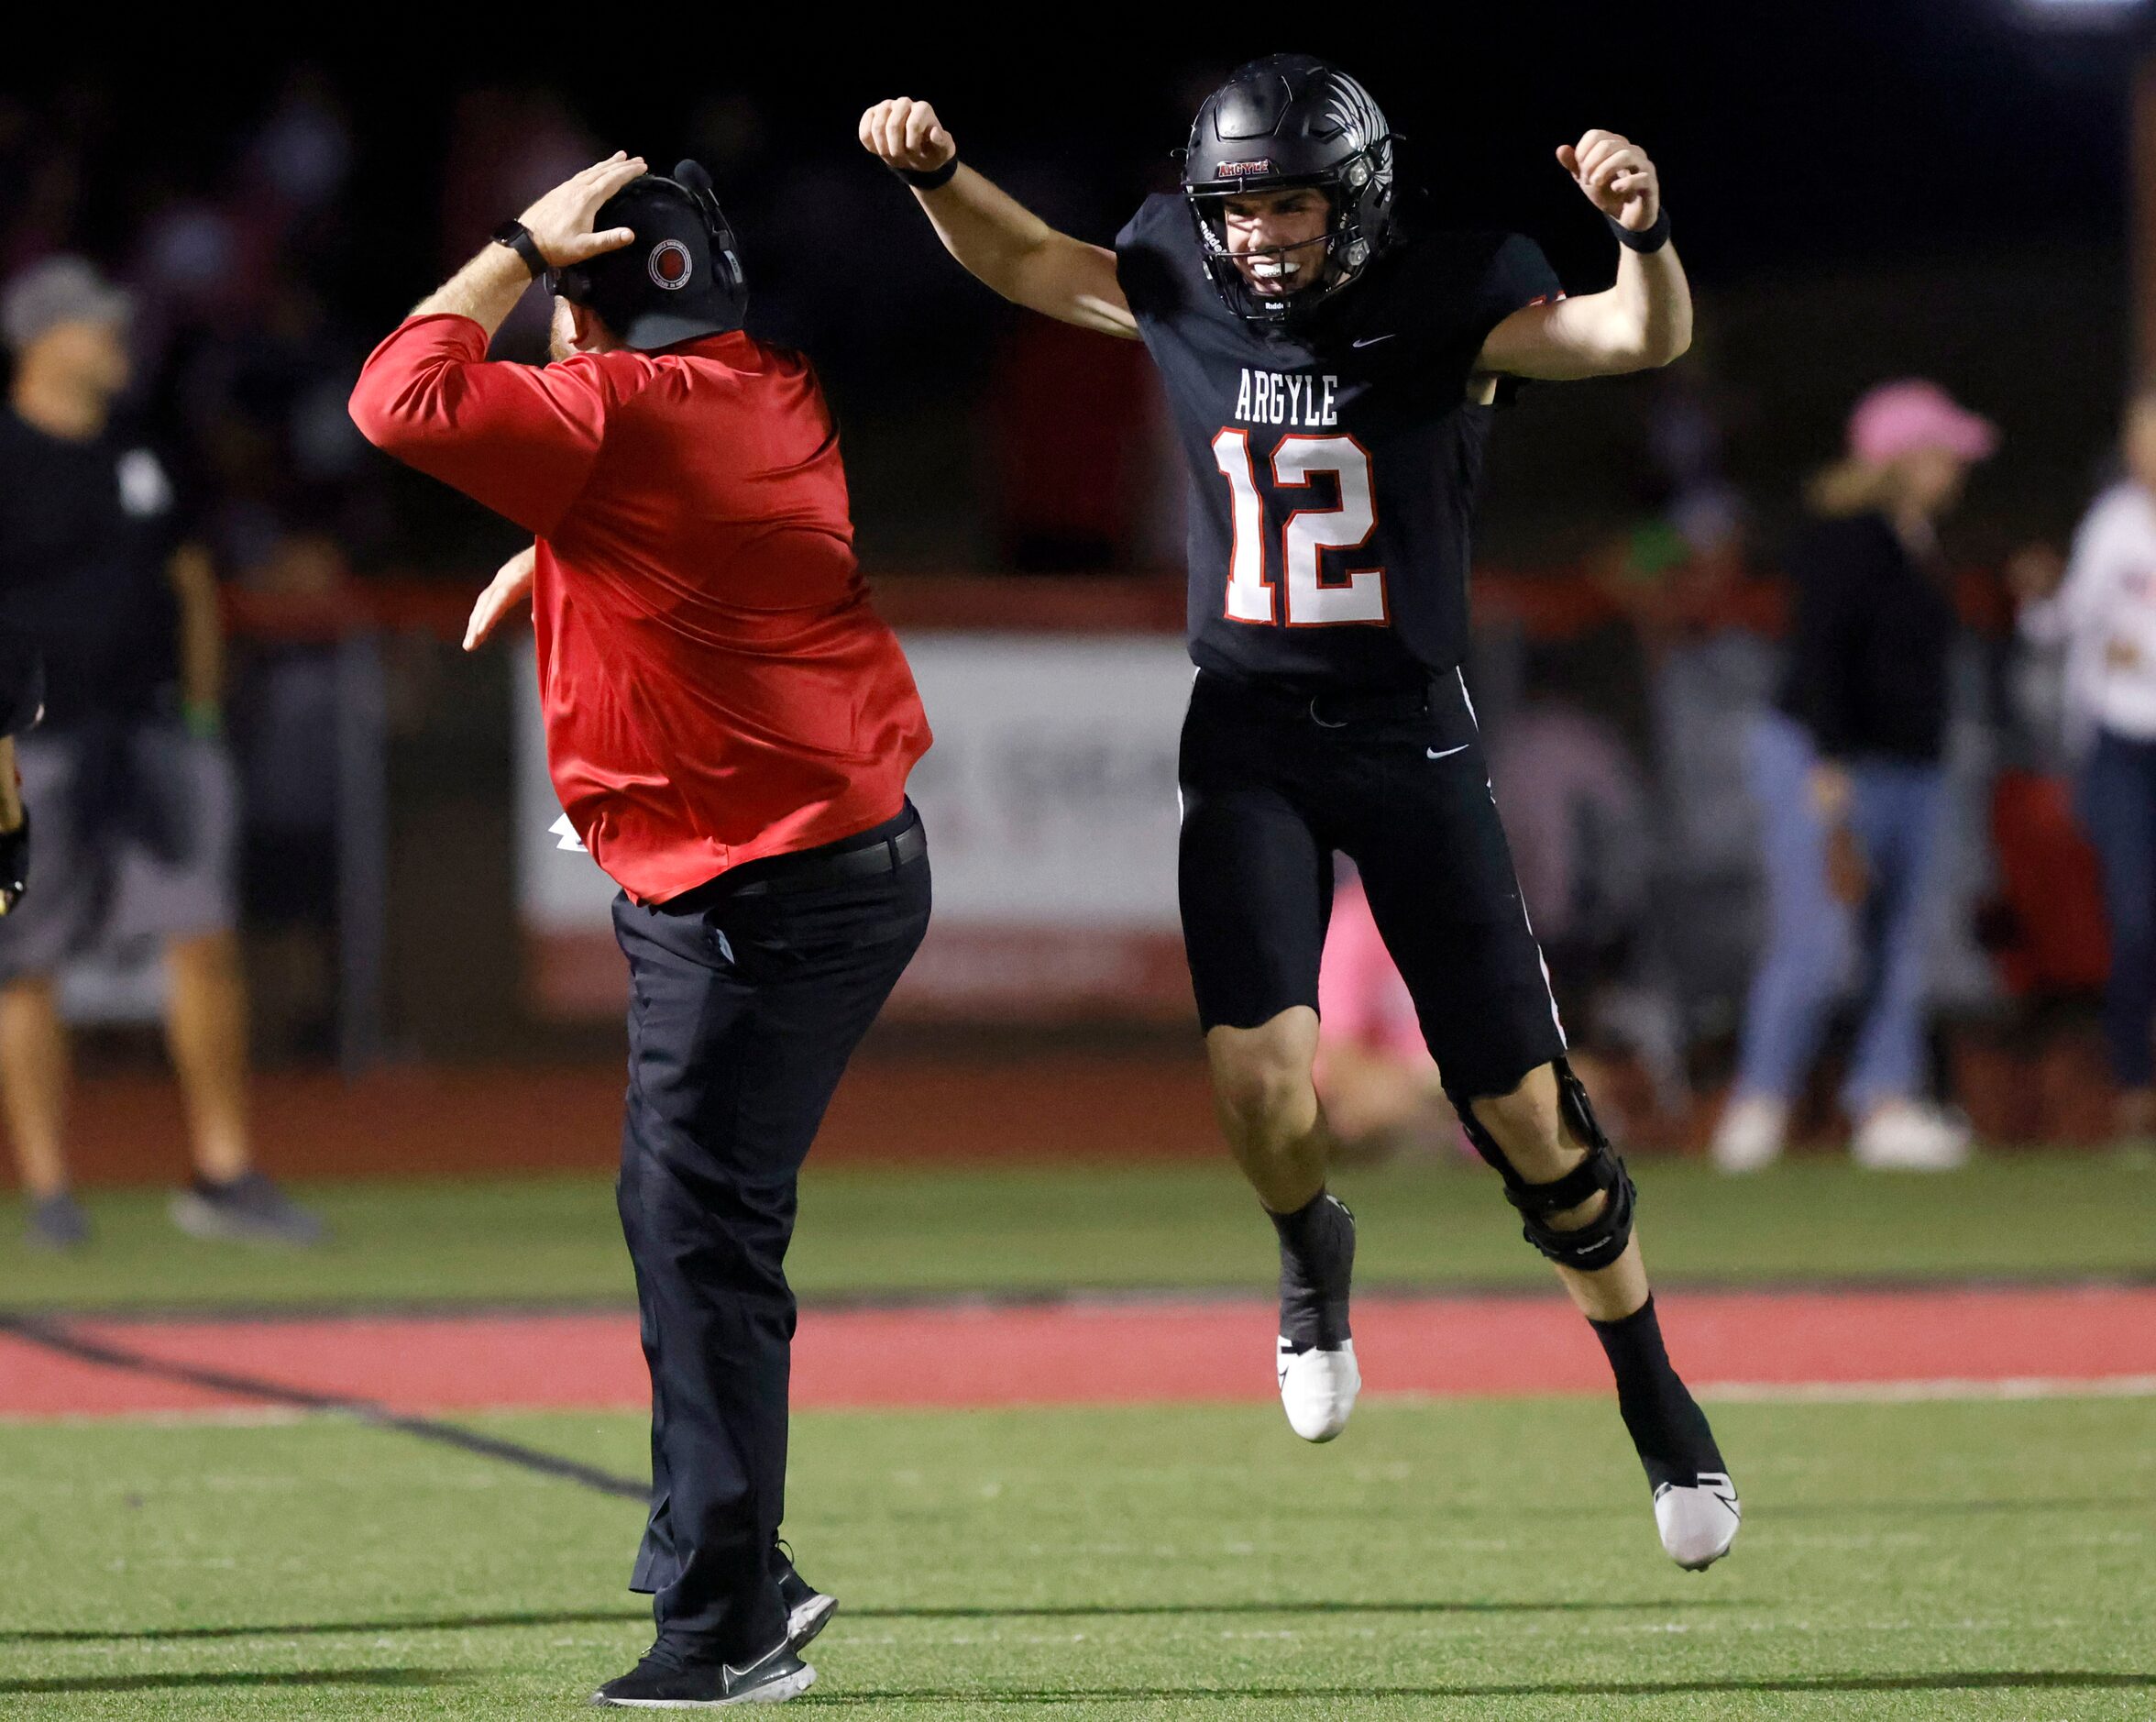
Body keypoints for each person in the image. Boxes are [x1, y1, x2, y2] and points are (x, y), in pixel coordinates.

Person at [863, 55, 1740, 1571]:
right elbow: (1031, 262)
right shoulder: (1179, 276)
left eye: (1288, 204)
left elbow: (1629, 335)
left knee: (1527, 1112)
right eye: (1237, 207)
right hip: (1251, 729)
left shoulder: (1453, 295)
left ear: (1358, 201)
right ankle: (1307, 1252)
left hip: (1407, 730)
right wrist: (940, 174)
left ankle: (1654, 1395)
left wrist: (1641, 234)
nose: (1259, 237)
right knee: (1261, 1084)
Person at [350, 152, 933, 1707]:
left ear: (582, 315)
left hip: (758, 886)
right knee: (686, 1223)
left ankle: (724, 1615)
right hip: (812, 861)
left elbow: (396, 395)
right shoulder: (768, 385)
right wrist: (555, 545)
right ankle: (737, 1570)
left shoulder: (606, 413)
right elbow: (669, 490)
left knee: (702, 1241)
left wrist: (507, 243)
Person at [0, 256, 321, 1252]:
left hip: (152, 737)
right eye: (94, 327)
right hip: (36, 745)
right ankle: (49, 1189)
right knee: (25, 960)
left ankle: (222, 1171)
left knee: (204, 942)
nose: (113, 342)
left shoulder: (140, 450)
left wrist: (200, 716)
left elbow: (188, 581)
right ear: (44, 338)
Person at [1711, 381, 1996, 1174]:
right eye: (1943, 454)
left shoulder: (1920, 542)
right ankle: (1758, 1107)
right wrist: (1826, 769)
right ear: (1903, 460)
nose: (1956, 471)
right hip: (1830, 758)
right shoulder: (1847, 540)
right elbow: (1819, 660)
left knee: (1898, 941)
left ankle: (1885, 1102)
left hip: (1907, 768)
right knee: (1814, 936)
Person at [2014, 386, 2156, 1142]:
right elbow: (2068, 621)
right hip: (2123, 745)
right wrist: (2037, 608)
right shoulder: (2115, 527)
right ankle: (2135, 1088)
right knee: (2132, 923)